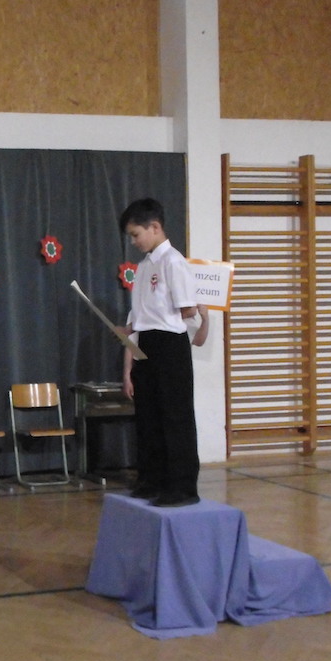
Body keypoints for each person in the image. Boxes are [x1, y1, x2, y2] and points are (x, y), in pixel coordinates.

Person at [119, 197, 202, 508]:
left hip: (169, 344)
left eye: (136, 234)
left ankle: (182, 486)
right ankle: (152, 480)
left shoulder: (173, 262)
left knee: (174, 416)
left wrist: (155, 323)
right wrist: (130, 331)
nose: (134, 241)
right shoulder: (143, 267)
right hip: (147, 343)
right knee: (149, 416)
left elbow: (188, 309)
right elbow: (142, 314)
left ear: (154, 227)